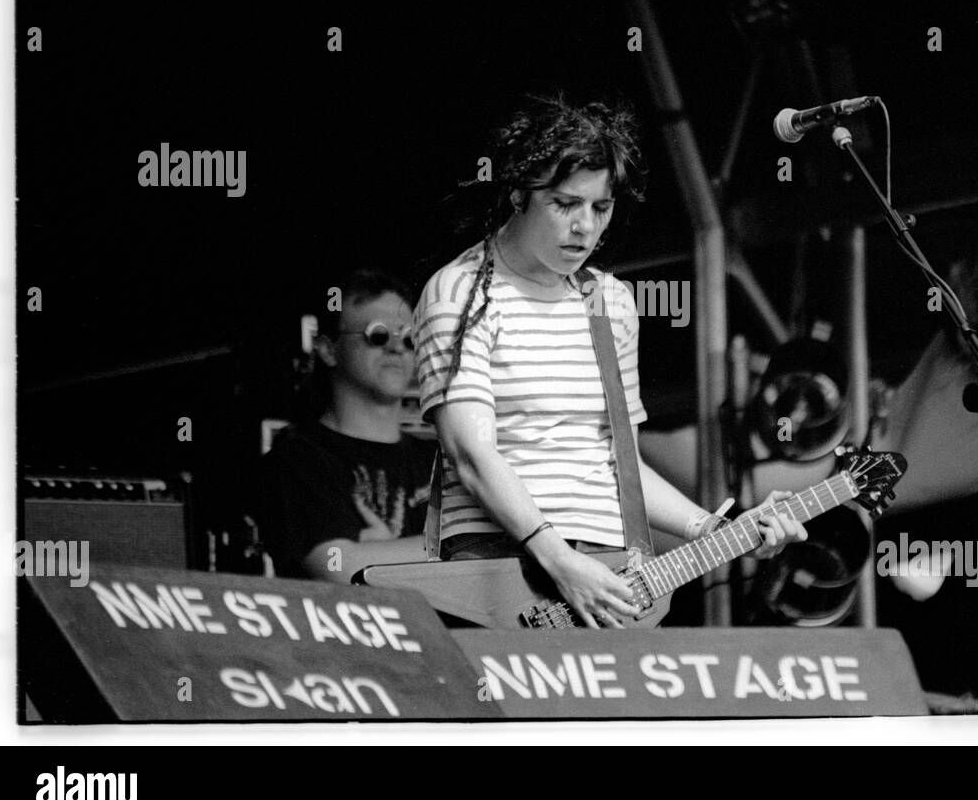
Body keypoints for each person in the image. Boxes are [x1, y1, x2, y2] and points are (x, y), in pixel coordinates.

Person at [414, 95, 807, 629]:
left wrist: (713, 529)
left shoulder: (609, 301)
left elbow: (619, 463)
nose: (584, 227)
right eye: (565, 204)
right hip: (498, 563)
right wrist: (560, 560)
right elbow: (471, 454)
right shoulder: (459, 291)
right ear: (517, 194)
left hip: (612, 565)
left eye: (601, 208)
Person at [261, 268, 434, 582]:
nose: (397, 347)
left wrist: (384, 556)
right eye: (378, 335)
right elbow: (338, 567)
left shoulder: (438, 460)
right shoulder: (299, 459)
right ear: (328, 349)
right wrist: (448, 550)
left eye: (409, 338)